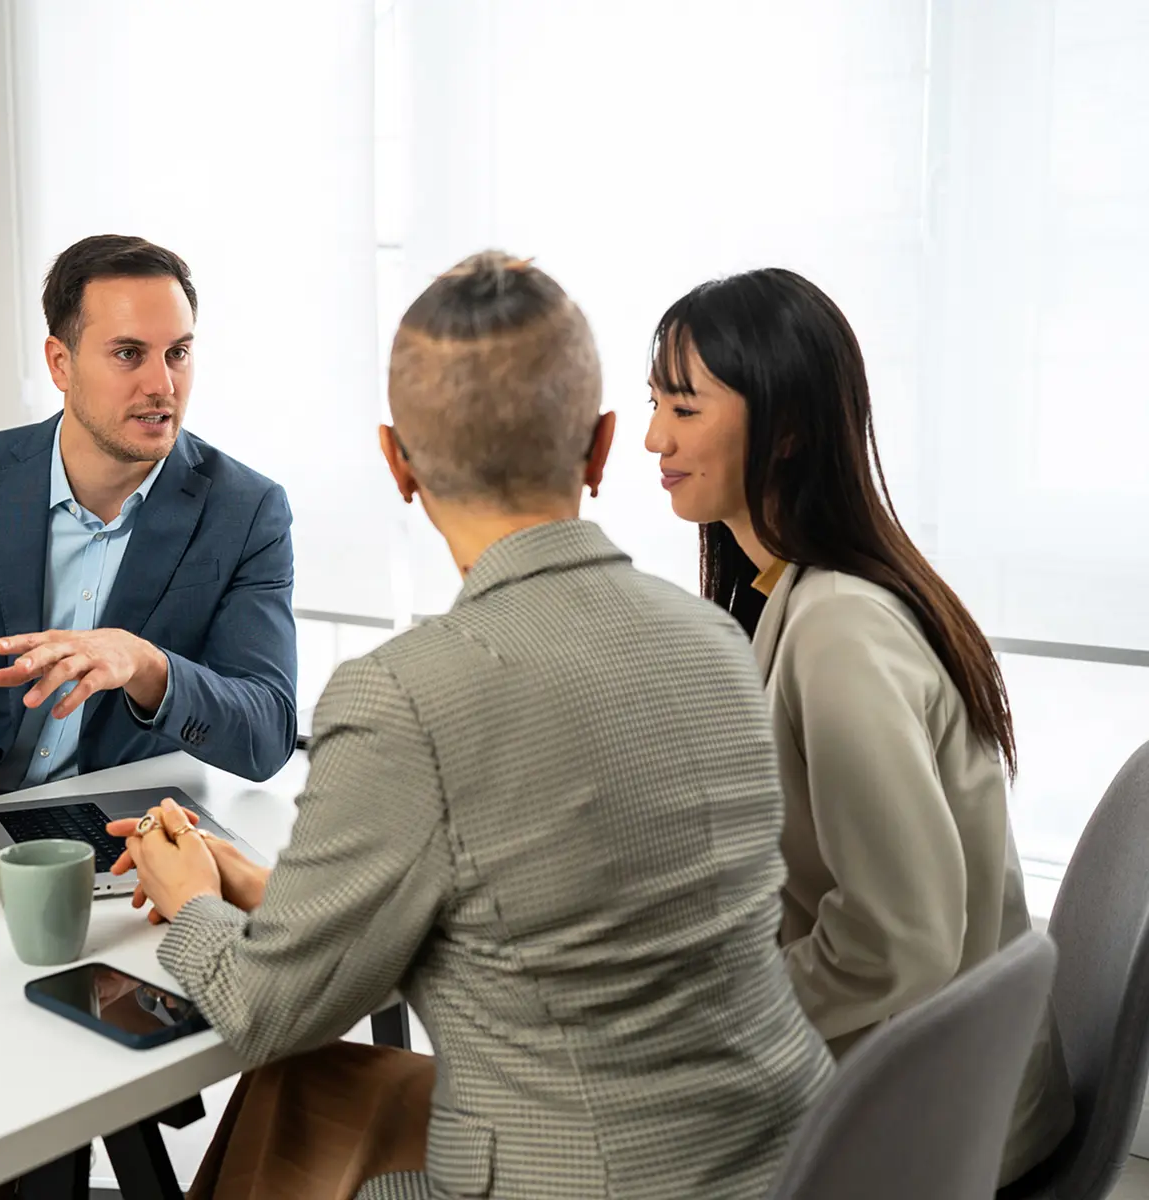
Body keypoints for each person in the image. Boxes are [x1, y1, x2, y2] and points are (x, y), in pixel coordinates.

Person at [110, 252, 834, 1199]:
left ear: (397, 462)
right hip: (791, 1160)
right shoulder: (717, 640)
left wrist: (192, 897)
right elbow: (548, 916)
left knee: (298, 1102)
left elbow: (256, 1012)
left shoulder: (403, 697)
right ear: (604, 444)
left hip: (580, 1182)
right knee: (311, 1107)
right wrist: (275, 888)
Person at [644, 266, 1075, 1184]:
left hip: (929, 1123)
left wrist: (717, 1018)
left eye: (683, 409)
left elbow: (898, 938)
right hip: (937, 1084)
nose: (653, 438)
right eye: (655, 406)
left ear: (788, 430)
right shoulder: (796, 595)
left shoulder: (840, 625)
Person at [0, 235, 298, 825]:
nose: (163, 384)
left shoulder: (246, 509)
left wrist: (149, 665)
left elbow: (268, 734)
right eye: (129, 353)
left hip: (113, 831)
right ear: (60, 363)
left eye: (177, 352)